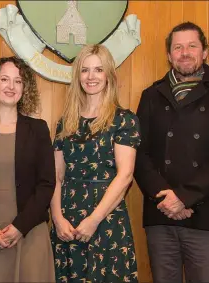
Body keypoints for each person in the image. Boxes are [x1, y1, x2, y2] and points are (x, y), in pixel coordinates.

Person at [133, 22, 209, 283]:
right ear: (169, 55)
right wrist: (165, 197)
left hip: (205, 216)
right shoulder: (150, 96)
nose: (185, 52)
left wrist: (184, 198)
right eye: (178, 47)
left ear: (205, 52)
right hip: (160, 213)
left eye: (192, 46)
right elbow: (138, 152)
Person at [50, 44, 140, 282]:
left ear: (109, 74)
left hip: (106, 220)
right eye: (85, 70)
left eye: (98, 70)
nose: (91, 77)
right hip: (67, 223)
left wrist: (94, 220)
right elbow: (56, 176)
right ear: (77, 76)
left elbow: (125, 176)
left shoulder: (124, 120)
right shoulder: (65, 122)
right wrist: (58, 218)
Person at [0, 56, 56, 282]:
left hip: (29, 233)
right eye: (4, 79)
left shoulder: (38, 130)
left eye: (18, 81)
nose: (11, 86)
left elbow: (47, 183)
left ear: (24, 88)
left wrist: (20, 226)